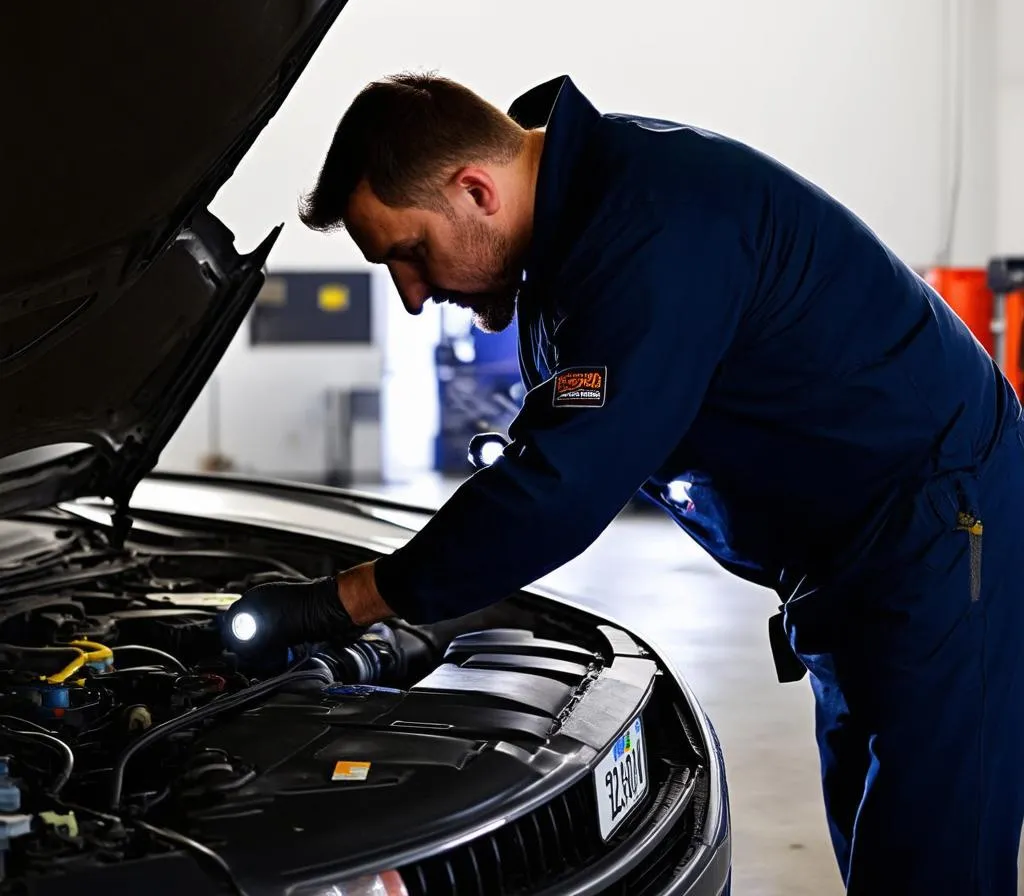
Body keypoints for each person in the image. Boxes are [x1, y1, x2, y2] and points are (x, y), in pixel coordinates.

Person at [227, 72, 1024, 895]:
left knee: (938, 856)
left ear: (476, 190)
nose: (412, 294)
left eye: (409, 252)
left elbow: (560, 485)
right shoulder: (577, 230)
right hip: (854, 556)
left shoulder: (647, 226)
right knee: (885, 836)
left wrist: (345, 601)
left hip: (938, 526)